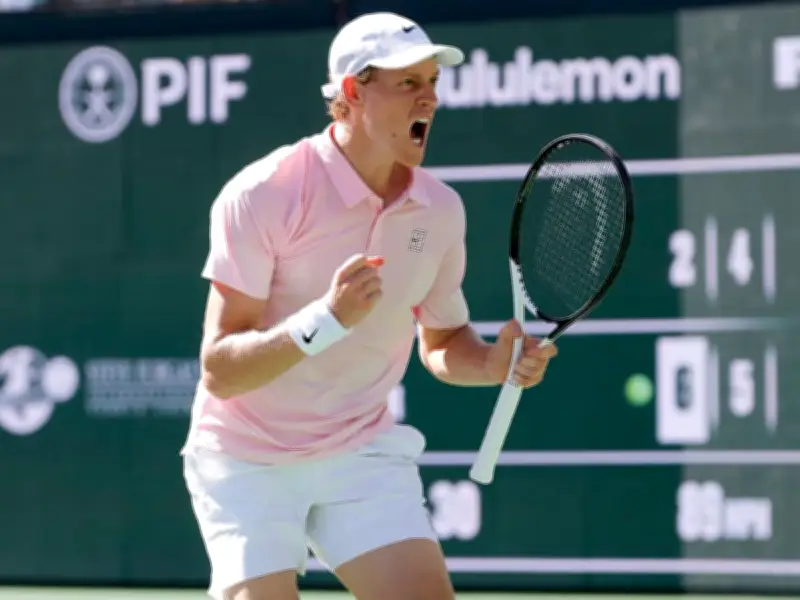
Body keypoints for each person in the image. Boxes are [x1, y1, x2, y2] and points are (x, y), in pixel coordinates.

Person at [181, 11, 558, 600]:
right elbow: (220, 370)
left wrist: (491, 363)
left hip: (357, 448)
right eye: (408, 82)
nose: (429, 99)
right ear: (353, 92)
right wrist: (324, 321)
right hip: (246, 459)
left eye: (432, 82)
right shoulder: (263, 193)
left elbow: (441, 342)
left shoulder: (440, 211)